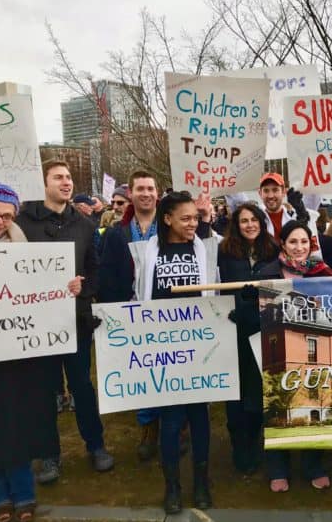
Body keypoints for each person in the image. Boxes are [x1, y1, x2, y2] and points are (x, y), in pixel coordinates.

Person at [0, 181, 82, 522]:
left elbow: (43, 293)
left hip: (19, 355)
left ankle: (24, 494)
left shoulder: (25, 246)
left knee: (18, 425)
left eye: (6, 215)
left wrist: (69, 286)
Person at [16, 160, 114, 484]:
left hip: (75, 321)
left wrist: (83, 286)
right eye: (58, 177)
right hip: (37, 324)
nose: (66, 182)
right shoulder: (21, 224)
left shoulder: (84, 225)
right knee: (43, 391)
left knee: (82, 386)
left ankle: (96, 445)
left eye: (69, 177)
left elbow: (95, 269)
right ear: (43, 183)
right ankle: (48, 456)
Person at [132, 191, 217, 513]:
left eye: (195, 218)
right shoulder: (147, 252)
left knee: (200, 417)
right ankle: (172, 487)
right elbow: (138, 295)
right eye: (185, 218)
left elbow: (217, 289)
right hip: (165, 349)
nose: (192, 223)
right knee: (170, 420)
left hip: (200, 345)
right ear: (166, 219)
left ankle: (201, 482)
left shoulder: (205, 249)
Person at [260, 220, 332, 492]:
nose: (299, 247)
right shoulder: (267, 273)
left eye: (304, 242)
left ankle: (314, 465)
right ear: (282, 244)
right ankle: (278, 469)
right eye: (293, 242)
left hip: (311, 351)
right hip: (276, 352)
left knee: (314, 405)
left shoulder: (324, 274)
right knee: (277, 407)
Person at [99, 171, 162, 461]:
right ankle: (148, 427)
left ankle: (175, 424)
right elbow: (108, 274)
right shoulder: (116, 234)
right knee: (143, 370)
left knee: (171, 367)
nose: (146, 193)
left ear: (157, 193)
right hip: (132, 312)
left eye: (150, 188)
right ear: (132, 194)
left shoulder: (170, 227)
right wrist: (112, 312)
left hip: (167, 311)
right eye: (140, 189)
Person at [217, 204, 280, 475]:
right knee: (236, 392)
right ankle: (238, 445)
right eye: (244, 221)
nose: (250, 225)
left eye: (254, 219)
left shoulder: (274, 250)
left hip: (264, 330)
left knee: (256, 390)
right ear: (236, 224)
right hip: (233, 330)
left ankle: (253, 441)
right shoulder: (224, 252)